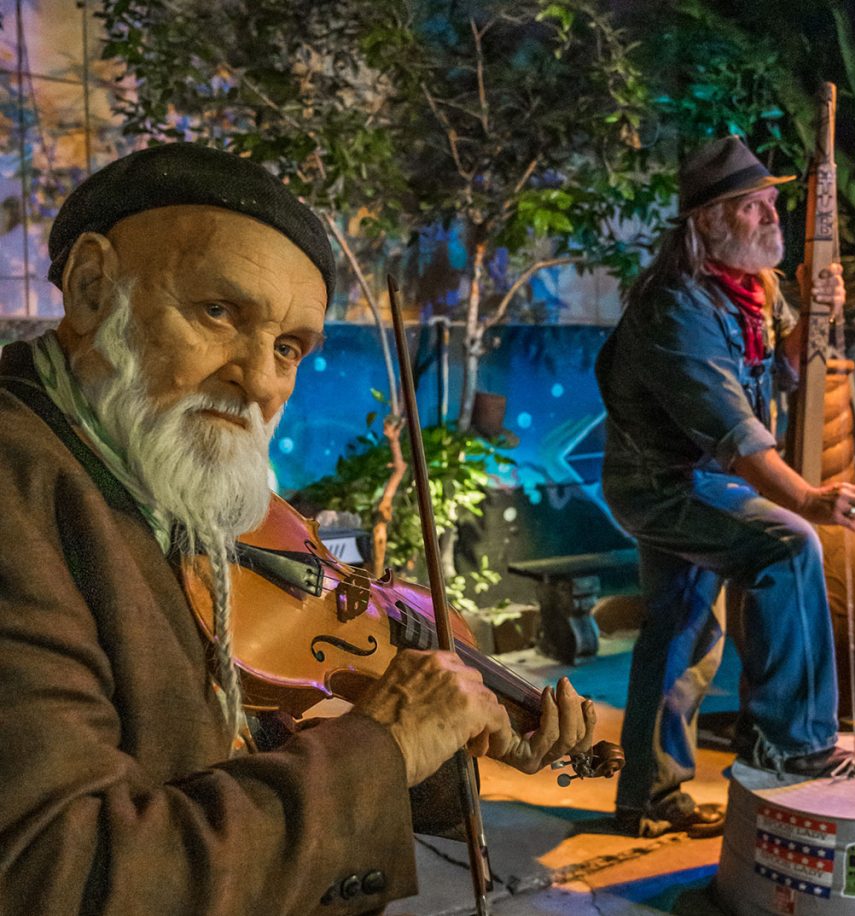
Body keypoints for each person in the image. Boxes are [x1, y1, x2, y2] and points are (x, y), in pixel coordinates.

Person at [0, 143, 595, 915]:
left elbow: (248, 752)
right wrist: (382, 746)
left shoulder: (140, 465)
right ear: (91, 287)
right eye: (218, 312)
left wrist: (445, 741)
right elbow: (62, 874)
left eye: (288, 348)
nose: (258, 380)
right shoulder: (23, 489)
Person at [596, 136, 855, 839]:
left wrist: (813, 314)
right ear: (708, 223)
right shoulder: (677, 309)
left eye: (772, 203)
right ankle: (789, 745)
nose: (771, 217)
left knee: (684, 625)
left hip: (699, 479)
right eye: (753, 208)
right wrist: (806, 500)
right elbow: (738, 433)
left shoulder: (750, 292)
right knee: (786, 545)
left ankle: (647, 795)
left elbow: (779, 371)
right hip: (666, 483)